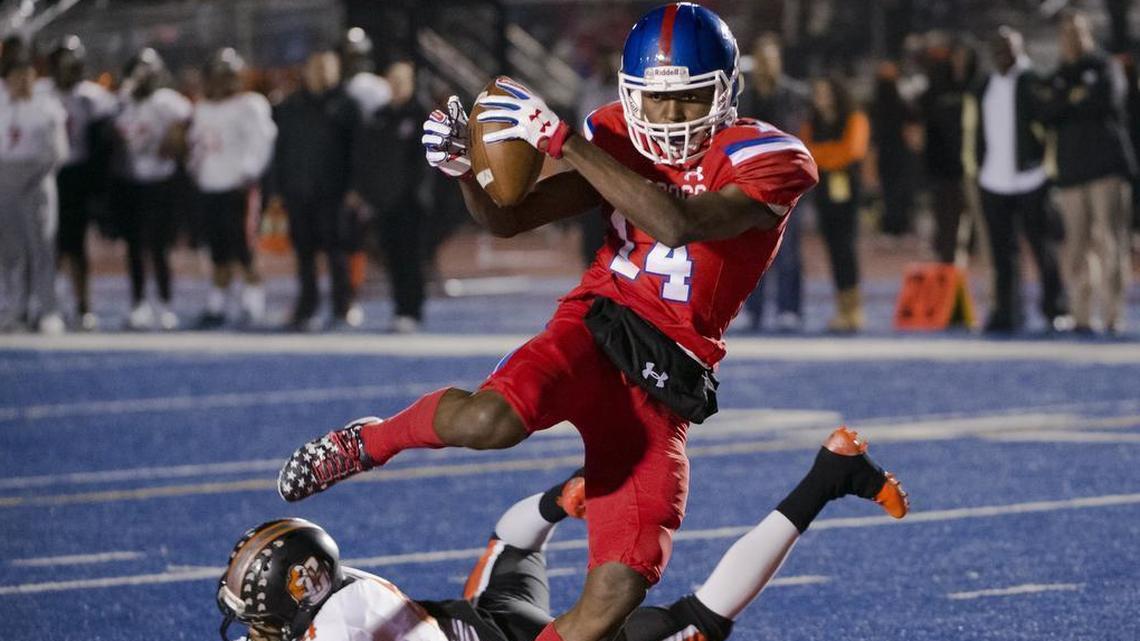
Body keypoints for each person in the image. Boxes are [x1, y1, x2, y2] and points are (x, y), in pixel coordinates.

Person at [277, 5, 818, 641]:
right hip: (599, 327)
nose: (671, 116)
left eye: (689, 98)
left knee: (618, 590)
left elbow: (679, 224)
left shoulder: (770, 157)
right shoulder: (614, 134)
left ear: (726, 92)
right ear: (631, 93)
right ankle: (368, 442)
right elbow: (509, 219)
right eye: (657, 99)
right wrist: (467, 174)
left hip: (668, 379)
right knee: (490, 421)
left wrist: (564, 142)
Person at [225, 427, 907, 641]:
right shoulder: (343, 599)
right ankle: (560, 498)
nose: (255, 630)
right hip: (486, 619)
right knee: (510, 542)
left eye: (259, 616)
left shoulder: (339, 622)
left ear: (298, 589)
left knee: (697, 623)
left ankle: (830, 474)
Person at [962, 27, 1070, 334]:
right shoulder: (983, 85)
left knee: (1042, 247)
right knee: (1001, 253)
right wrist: (975, 167)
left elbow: (1051, 119)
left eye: (1009, 48)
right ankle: (1007, 312)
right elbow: (972, 128)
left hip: (1030, 177)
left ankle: (1055, 309)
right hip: (993, 178)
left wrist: (1047, 165)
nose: (1003, 54)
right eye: (998, 48)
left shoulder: (1032, 80)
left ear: (1020, 50)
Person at [1042, 11, 1137, 335]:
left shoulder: (1105, 65)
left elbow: (1106, 101)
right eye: (1066, 32)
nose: (1072, 38)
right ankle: (1081, 315)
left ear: (1089, 33)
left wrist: (1068, 104)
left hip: (1107, 168)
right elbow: (1047, 113)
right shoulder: (1059, 74)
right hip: (1071, 171)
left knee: (1110, 242)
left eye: (1078, 31)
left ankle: (1113, 314)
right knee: (1076, 246)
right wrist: (1073, 101)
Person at [268, 50, 362, 330]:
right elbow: (281, 149)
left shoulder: (347, 105)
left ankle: (342, 306)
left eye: (327, 67)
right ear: (307, 71)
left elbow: (358, 150)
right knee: (304, 252)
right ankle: (306, 307)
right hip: (298, 189)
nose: (321, 73)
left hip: (334, 190)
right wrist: (277, 187)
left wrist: (355, 187)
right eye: (317, 67)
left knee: (336, 250)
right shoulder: (292, 106)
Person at [186, 48, 278, 329]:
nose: (221, 82)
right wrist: (195, 171)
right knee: (217, 251)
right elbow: (196, 147)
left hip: (238, 188)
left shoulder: (250, 105)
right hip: (209, 186)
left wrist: (248, 174)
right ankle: (217, 303)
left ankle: (253, 302)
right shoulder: (201, 108)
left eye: (226, 76)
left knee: (244, 248)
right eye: (217, 76)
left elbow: (261, 143)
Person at [111, 47, 192, 331]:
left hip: (161, 181)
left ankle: (165, 303)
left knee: (159, 247)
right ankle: (138, 303)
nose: (144, 77)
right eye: (139, 72)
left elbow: (186, 121)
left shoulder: (167, 101)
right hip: (129, 182)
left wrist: (173, 139)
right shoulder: (121, 102)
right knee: (133, 247)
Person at [737, 33, 811, 332]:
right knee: (752, 249)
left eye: (772, 58)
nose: (767, 65)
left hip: (786, 182)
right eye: (763, 59)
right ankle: (752, 309)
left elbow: (798, 136)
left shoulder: (793, 94)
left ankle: (789, 308)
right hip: (754, 182)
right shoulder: (744, 97)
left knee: (788, 249)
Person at [45, 35, 117, 331]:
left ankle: (82, 304)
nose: (67, 71)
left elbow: (104, 145)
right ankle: (46, 303)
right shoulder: (41, 92)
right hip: (45, 175)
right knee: (46, 244)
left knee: (75, 244)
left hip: (78, 176)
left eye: (72, 65)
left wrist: (100, 188)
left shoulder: (92, 97)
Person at [351, 61, 428, 333]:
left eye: (401, 81)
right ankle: (399, 308)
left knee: (411, 257)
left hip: (410, 204)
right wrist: (369, 192)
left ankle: (412, 309)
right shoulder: (380, 116)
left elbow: (426, 164)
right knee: (392, 257)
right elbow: (368, 158)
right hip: (385, 202)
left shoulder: (422, 115)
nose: (396, 87)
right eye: (392, 81)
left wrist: (418, 194)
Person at [0, 42, 69, 334]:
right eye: (15, 75)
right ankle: (15, 308)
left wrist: (33, 176)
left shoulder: (47, 106)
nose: (21, 80)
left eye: (26, 74)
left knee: (41, 247)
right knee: (10, 250)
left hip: (38, 180)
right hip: (5, 180)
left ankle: (48, 308)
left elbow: (59, 151)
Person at [800, 76, 870, 333]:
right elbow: (805, 151)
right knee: (832, 248)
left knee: (846, 248)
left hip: (848, 191)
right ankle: (842, 309)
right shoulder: (812, 122)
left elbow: (852, 151)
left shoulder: (854, 118)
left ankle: (854, 309)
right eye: (817, 93)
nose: (821, 99)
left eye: (825, 93)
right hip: (823, 192)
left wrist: (823, 155)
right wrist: (830, 153)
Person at [920, 37, 979, 264]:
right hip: (944, 165)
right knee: (946, 219)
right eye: (957, 56)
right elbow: (923, 115)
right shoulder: (937, 86)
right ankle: (948, 265)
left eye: (964, 56)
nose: (960, 61)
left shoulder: (978, 86)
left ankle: (971, 261)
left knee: (975, 221)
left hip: (975, 164)